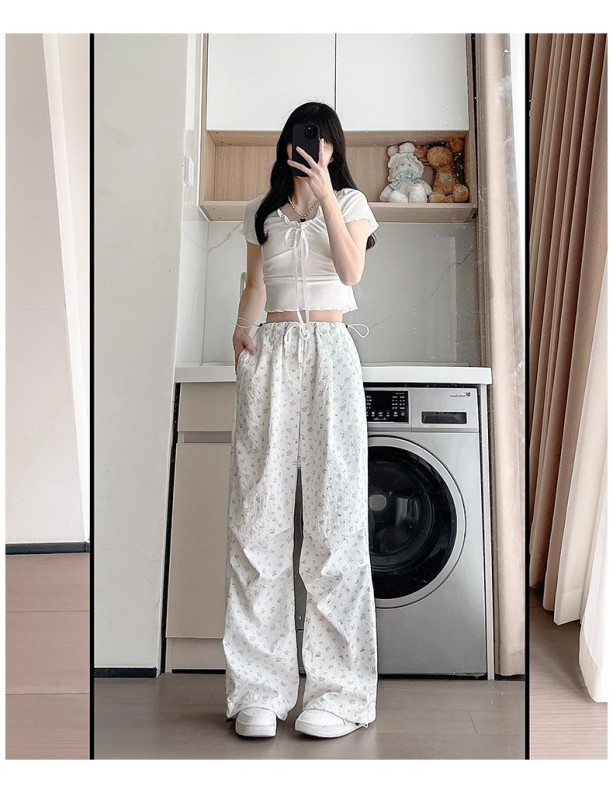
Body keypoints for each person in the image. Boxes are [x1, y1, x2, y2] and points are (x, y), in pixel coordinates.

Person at [223, 101, 379, 740]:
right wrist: (241, 328)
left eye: (320, 139)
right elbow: (255, 283)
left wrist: (327, 199)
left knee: (334, 523)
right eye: (299, 137)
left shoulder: (353, 204)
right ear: (285, 145)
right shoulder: (262, 213)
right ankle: (258, 690)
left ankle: (339, 692)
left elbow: (351, 270)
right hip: (272, 355)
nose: (309, 147)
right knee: (256, 522)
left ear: (334, 149)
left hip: (331, 354)